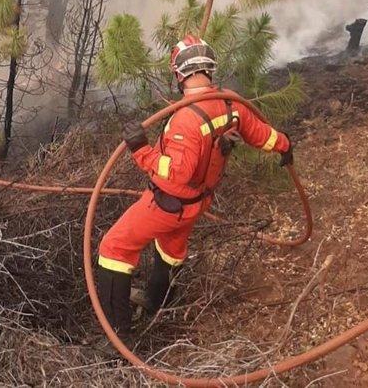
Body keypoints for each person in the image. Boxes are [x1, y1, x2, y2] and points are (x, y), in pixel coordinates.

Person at [96, 34, 293, 342]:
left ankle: (117, 337)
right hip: (197, 204)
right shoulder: (231, 104)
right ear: (209, 69)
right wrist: (284, 145)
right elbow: (261, 134)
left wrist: (140, 150)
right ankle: (157, 304)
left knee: (114, 248)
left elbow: (174, 174)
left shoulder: (185, 120)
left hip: (167, 204)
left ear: (179, 74)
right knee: (170, 249)